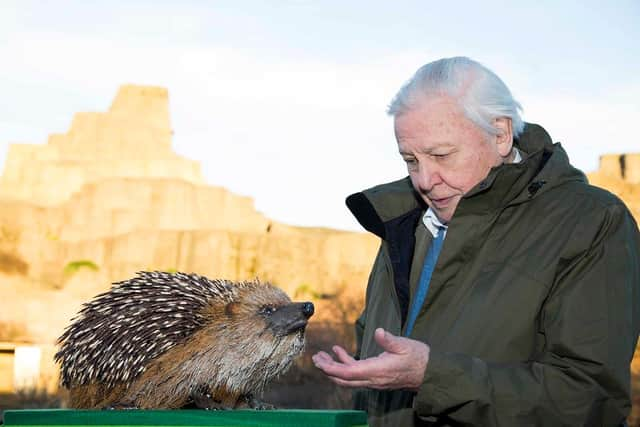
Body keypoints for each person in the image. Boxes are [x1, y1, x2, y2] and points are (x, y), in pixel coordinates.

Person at [312, 56, 640, 426]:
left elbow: (591, 399)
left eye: (441, 155)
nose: (424, 179)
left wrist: (432, 377)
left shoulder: (591, 222)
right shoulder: (403, 228)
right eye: (410, 160)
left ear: (500, 134)